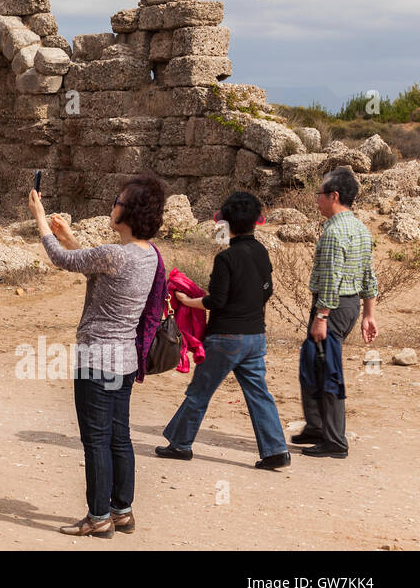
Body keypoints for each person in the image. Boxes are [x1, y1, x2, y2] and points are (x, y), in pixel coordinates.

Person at [32, 174, 166, 538]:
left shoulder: (114, 254)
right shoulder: (149, 255)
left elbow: (62, 259)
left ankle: (98, 516)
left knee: (95, 439)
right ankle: (122, 511)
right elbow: (93, 265)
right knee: (118, 437)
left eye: (118, 201)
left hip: (97, 359)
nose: (113, 206)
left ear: (130, 212)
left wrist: (40, 216)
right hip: (124, 360)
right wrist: (69, 237)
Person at [157, 191, 290, 469]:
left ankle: (180, 444)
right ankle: (276, 450)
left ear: (226, 223)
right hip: (256, 336)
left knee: (200, 391)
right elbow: (267, 291)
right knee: (258, 393)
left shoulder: (226, 259)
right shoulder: (261, 252)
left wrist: (185, 300)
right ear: (256, 222)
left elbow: (215, 301)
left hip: (226, 337)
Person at [294, 167, 378, 459]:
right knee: (312, 362)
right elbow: (369, 276)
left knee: (327, 369)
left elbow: (330, 279)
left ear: (334, 196)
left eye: (319, 193)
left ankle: (335, 441)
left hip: (332, 306)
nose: (316, 199)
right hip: (350, 305)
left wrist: (321, 317)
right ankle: (316, 427)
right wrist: (369, 315)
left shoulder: (333, 232)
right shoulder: (360, 228)